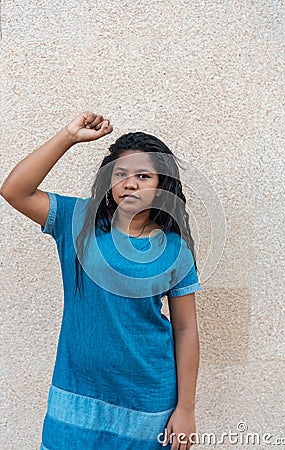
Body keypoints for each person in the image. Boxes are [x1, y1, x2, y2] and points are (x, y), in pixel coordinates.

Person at [1, 112, 202, 450]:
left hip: (149, 402)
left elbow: (185, 329)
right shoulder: (77, 221)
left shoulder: (173, 249)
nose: (131, 183)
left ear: (162, 184)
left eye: (143, 175)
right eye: (120, 174)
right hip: (76, 400)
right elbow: (14, 191)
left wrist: (186, 408)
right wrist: (68, 136)